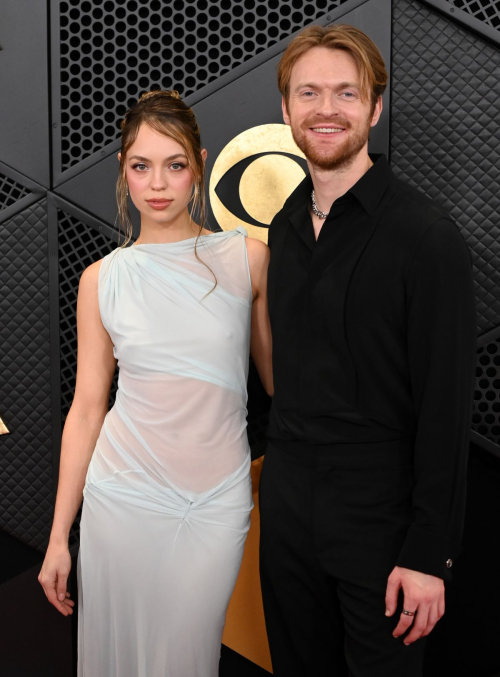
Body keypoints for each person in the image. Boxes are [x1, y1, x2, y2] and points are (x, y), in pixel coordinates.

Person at [259, 24, 476, 677]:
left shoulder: (426, 237)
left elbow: (446, 408)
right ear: (286, 110)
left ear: (374, 108)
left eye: (346, 93)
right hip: (289, 508)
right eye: (310, 93)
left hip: (383, 522)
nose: (327, 109)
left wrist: (427, 553)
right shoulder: (284, 226)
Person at [38, 90, 272, 677]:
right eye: (141, 166)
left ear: (200, 163)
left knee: (186, 661)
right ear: (123, 170)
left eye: (175, 165)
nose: (158, 183)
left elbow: (280, 384)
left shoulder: (247, 258)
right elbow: (88, 409)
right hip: (123, 499)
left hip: (215, 502)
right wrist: (59, 536)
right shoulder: (102, 280)